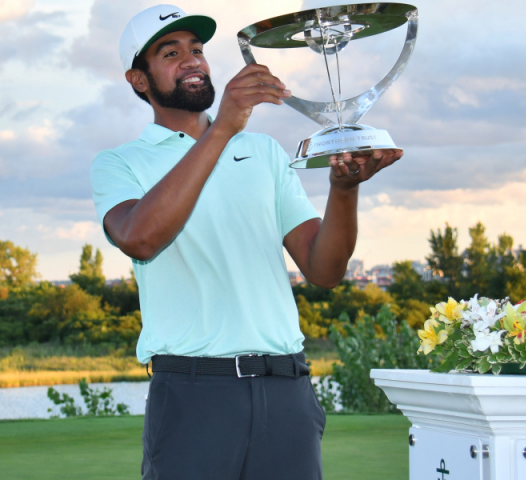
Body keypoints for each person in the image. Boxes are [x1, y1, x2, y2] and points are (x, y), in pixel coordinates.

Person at [89, 4, 402, 479]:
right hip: (193, 395)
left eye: (197, 49)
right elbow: (141, 238)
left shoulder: (263, 151)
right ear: (139, 80)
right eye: (171, 53)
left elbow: (325, 270)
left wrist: (344, 189)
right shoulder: (118, 163)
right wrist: (224, 129)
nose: (192, 60)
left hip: (285, 392)